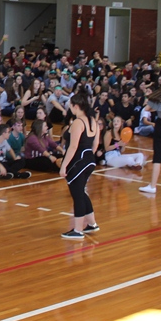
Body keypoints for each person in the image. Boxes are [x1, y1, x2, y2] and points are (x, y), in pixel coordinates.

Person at [59, 92, 99, 240]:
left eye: (70, 106)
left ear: (76, 106)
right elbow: (95, 144)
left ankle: (77, 230)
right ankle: (92, 224)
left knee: (77, 195)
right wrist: (88, 158)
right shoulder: (93, 121)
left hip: (77, 161)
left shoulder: (78, 122)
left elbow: (73, 146)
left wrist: (64, 165)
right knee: (81, 192)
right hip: (89, 160)